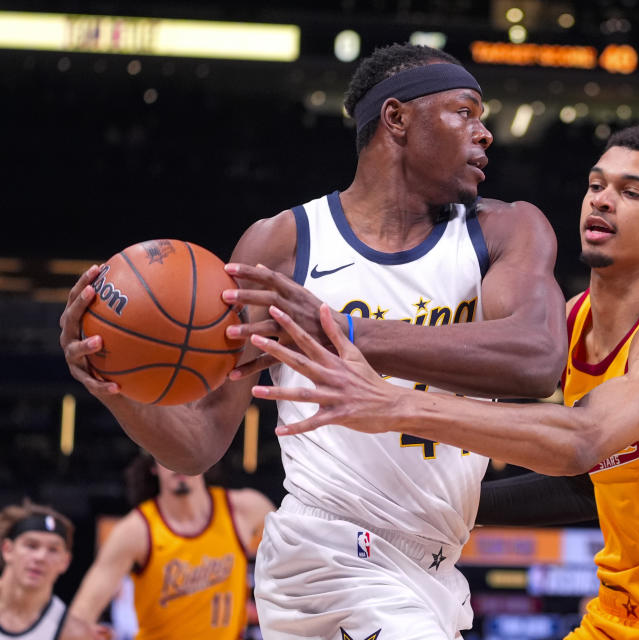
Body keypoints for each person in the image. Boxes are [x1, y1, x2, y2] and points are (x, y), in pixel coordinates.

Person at [58, 43, 566, 638]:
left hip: (435, 567)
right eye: (465, 111)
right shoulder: (284, 245)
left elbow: (536, 360)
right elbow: (197, 445)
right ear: (396, 119)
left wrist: (342, 328)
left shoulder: (506, 230)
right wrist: (112, 384)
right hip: (327, 552)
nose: (485, 134)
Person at [252, 124, 639, 639]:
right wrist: (434, 506)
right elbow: (587, 482)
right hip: (616, 615)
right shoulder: (569, 323)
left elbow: (581, 441)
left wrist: (394, 404)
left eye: (632, 193)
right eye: (596, 185)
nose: (602, 199)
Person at [68, 453, 274, 640]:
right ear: (153, 466)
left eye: (185, 452)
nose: (178, 462)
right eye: (167, 453)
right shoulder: (135, 530)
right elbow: (81, 614)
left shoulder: (245, 509)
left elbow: (295, 560)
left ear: (206, 461)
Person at [0, 501, 108, 640]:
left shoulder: (75, 633)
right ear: (7, 550)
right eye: (31, 546)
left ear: (65, 561)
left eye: (53, 550)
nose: (41, 557)